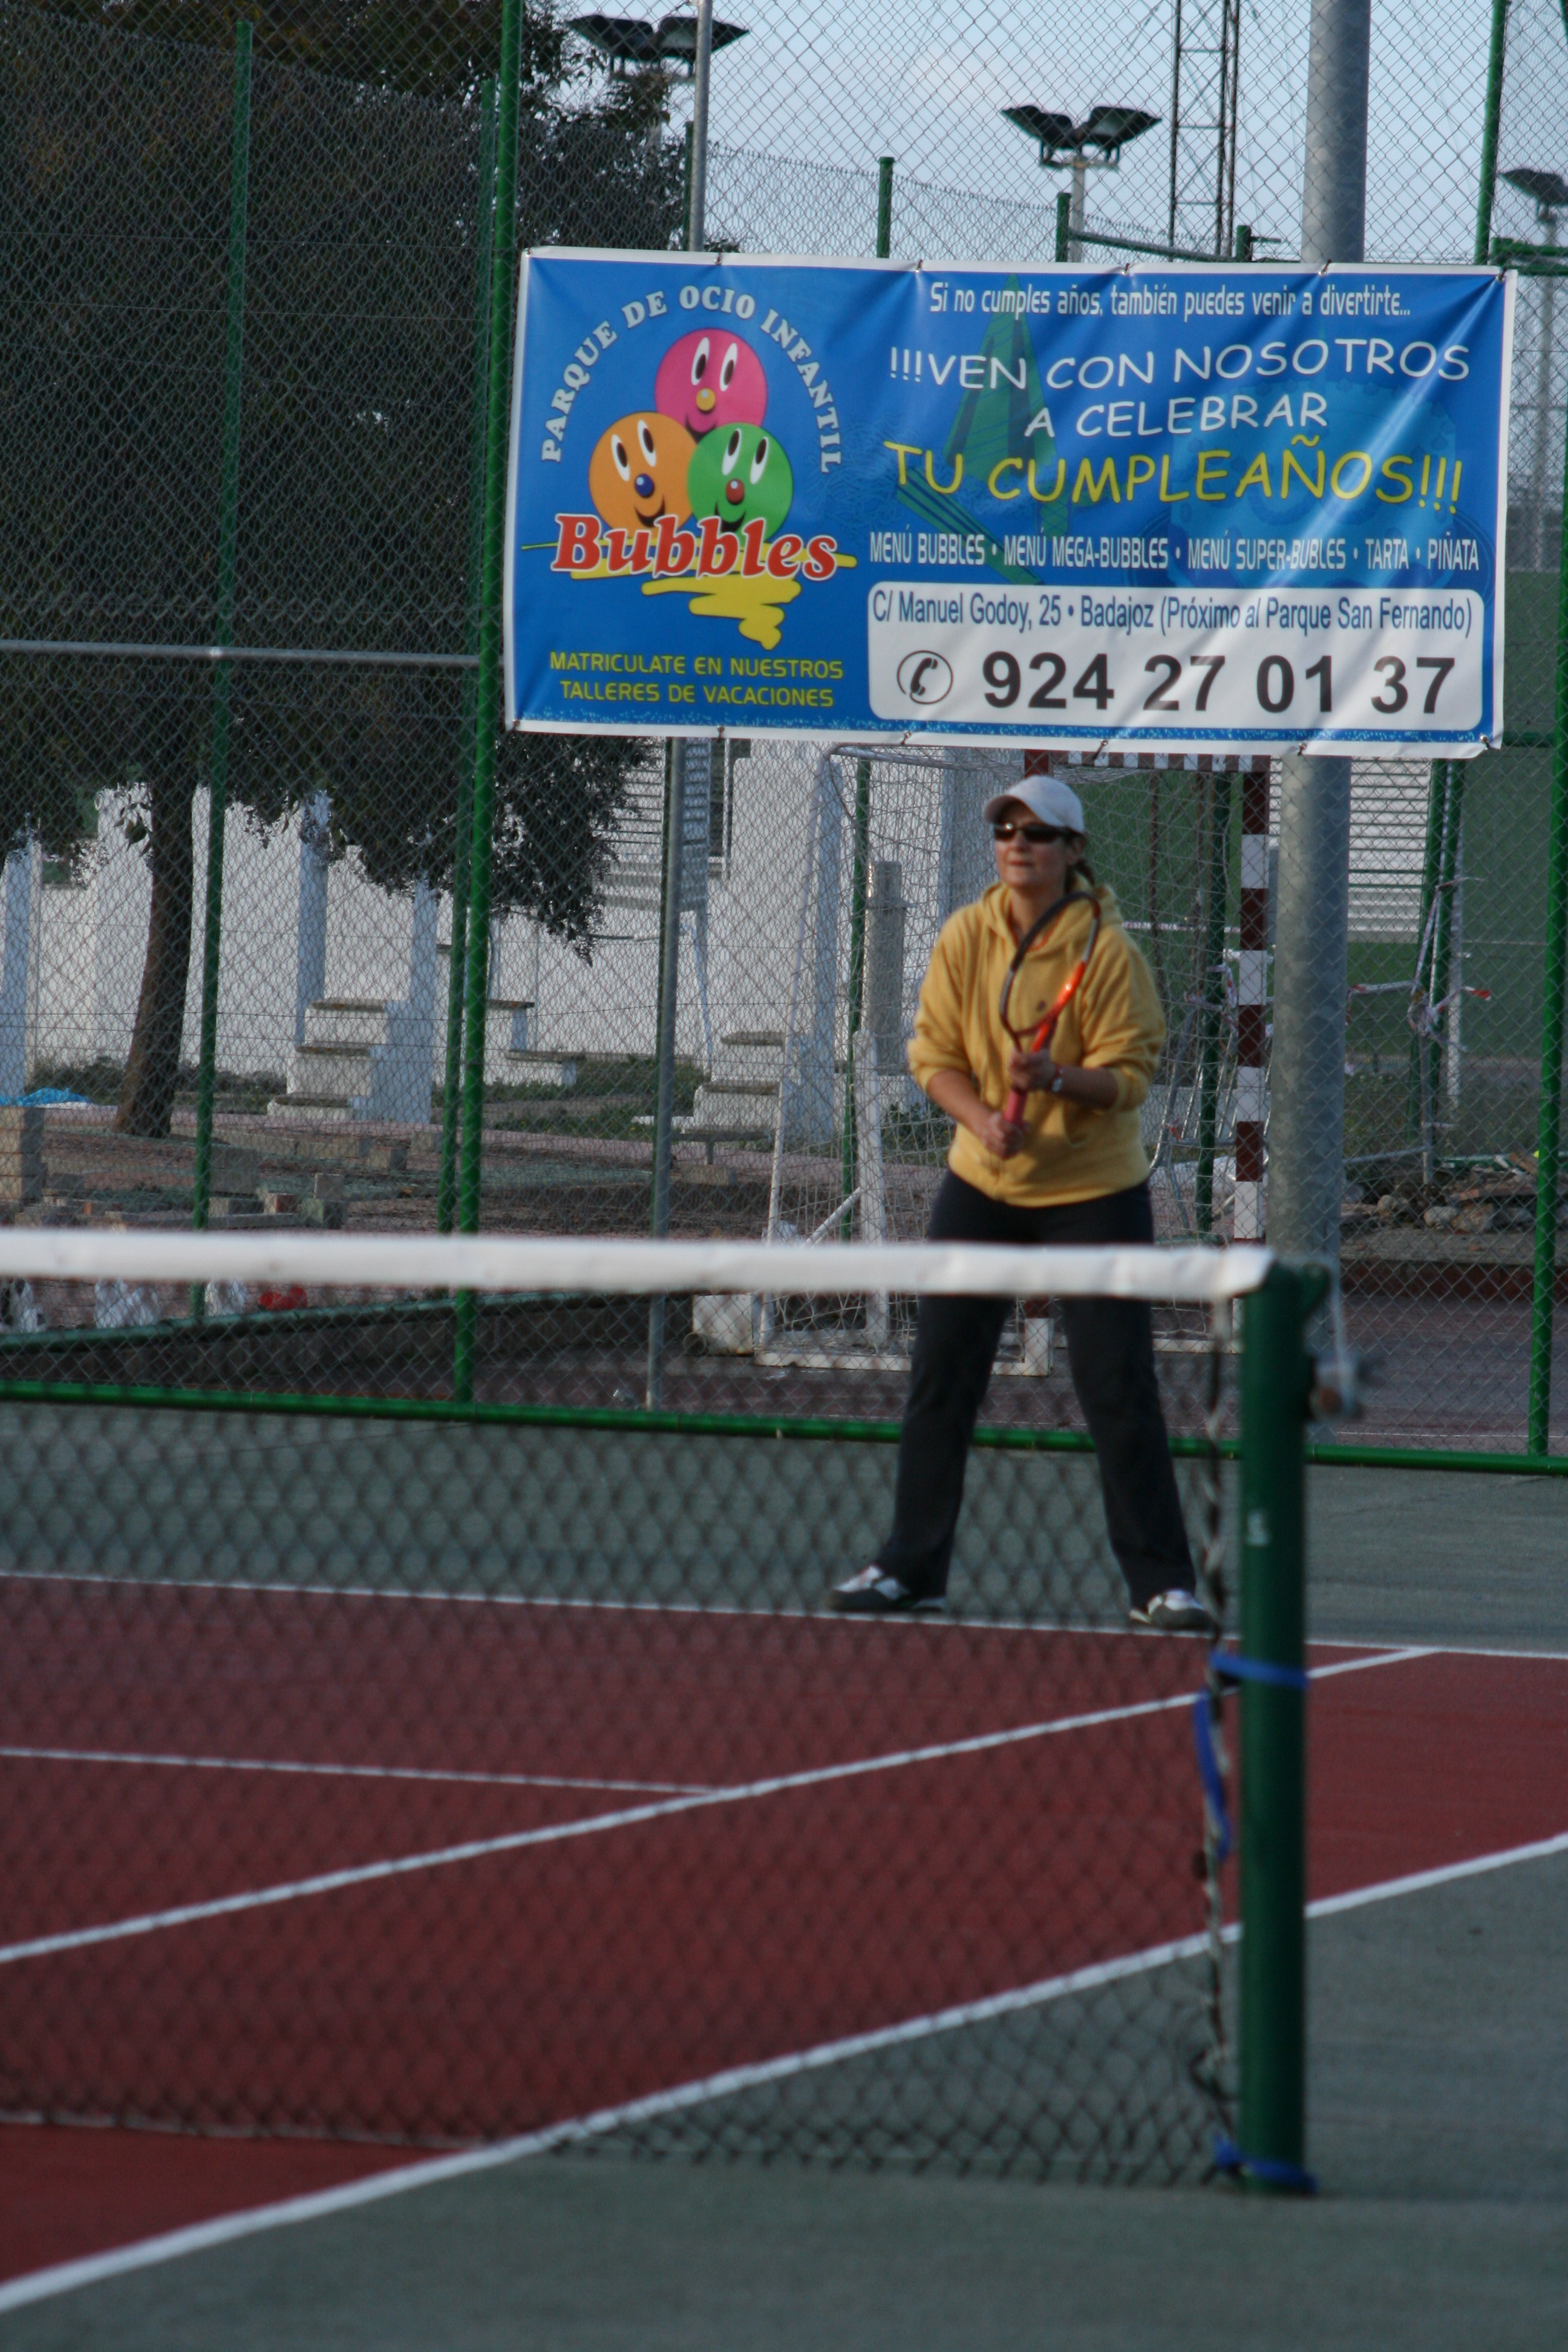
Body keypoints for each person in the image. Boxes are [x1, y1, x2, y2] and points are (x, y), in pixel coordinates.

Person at [831, 769, 1212, 1633]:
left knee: (1117, 1385)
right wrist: (981, 1121)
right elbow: (932, 1056)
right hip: (982, 1184)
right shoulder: (965, 937)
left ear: (1073, 851)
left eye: (1036, 833)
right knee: (941, 1377)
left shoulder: (1110, 956)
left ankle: (1162, 1583)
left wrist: (1057, 1079)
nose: (1017, 845)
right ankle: (910, 1568)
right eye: (1006, 830)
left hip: (1095, 1193)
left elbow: (1129, 1080)